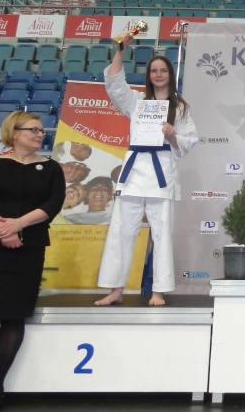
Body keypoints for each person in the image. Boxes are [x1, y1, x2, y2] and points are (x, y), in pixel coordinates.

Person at [0, 111, 65, 412]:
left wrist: (18, 225)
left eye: (41, 130)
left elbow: (53, 204)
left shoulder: (51, 168)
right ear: (14, 132)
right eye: (33, 129)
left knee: (13, 316)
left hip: (27, 249)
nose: (39, 134)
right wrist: (2, 229)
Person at [95, 33, 197, 306]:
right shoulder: (137, 101)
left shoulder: (180, 108)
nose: (158, 74)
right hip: (134, 171)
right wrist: (120, 51)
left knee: (162, 234)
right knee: (121, 230)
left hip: (161, 172)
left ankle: (158, 291)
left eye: (163, 70)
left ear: (171, 74)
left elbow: (189, 141)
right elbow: (115, 85)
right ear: (148, 75)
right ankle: (116, 290)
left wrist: (172, 136)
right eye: (154, 71)